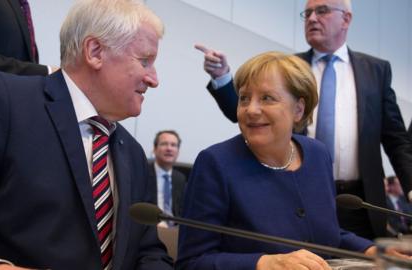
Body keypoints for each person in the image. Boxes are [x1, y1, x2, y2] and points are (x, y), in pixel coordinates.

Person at [0, 0, 173, 269]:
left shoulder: (134, 154)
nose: (154, 79)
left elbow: (149, 253)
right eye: (145, 61)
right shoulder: (2, 104)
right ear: (95, 51)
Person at [195, 0, 412, 239]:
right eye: (307, 13)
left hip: (360, 200)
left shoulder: (376, 70)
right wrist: (223, 78)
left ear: (346, 19)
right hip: (299, 194)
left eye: (322, 11)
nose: (311, 19)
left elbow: (396, 139)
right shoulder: (287, 69)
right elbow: (247, 116)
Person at [176, 51, 376, 270]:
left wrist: (373, 250)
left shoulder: (318, 155)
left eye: (267, 98)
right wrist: (264, 263)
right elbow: (192, 262)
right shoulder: (215, 163)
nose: (251, 109)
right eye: (244, 98)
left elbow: (327, 232)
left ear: (298, 109)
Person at [149, 130, 187, 226]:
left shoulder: (180, 178)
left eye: (173, 145)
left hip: (173, 231)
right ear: (154, 149)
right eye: (164, 144)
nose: (169, 148)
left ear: (178, 151)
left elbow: (181, 211)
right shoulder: (143, 172)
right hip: (149, 228)